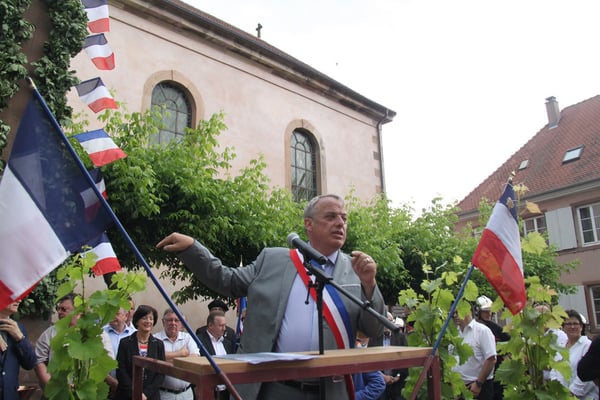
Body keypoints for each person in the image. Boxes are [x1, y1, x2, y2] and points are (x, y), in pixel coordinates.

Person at [157, 193, 386, 400]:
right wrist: (192, 249)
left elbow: (373, 329)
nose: (340, 223)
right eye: (331, 217)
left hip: (332, 390)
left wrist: (369, 284)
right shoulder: (273, 260)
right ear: (309, 224)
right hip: (272, 388)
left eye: (344, 218)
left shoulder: (357, 269)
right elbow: (227, 280)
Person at [115, 305, 165, 400]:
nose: (148, 321)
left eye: (151, 319)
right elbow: (121, 370)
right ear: (137, 321)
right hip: (127, 395)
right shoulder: (125, 343)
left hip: (150, 396)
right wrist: (135, 393)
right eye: (144, 318)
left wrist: (146, 394)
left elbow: (161, 373)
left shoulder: (158, 344)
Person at [549, 310, 598, 399]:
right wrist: (557, 389)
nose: (572, 327)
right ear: (563, 327)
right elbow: (554, 369)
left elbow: (589, 374)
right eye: (568, 324)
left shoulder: (587, 345)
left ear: (581, 327)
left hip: (582, 396)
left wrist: (571, 393)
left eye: (576, 324)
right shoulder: (560, 346)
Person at [451, 309, 497, 400]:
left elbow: (491, 359)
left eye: (457, 312)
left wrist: (478, 384)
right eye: (453, 313)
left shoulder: (482, 331)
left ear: (468, 311)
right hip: (458, 389)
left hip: (477, 387)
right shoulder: (454, 333)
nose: (455, 315)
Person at [155, 308, 199, 400]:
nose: (173, 323)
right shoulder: (155, 339)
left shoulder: (188, 338)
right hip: (164, 394)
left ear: (181, 323)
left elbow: (195, 358)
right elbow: (155, 359)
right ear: (163, 322)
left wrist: (167, 358)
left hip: (186, 394)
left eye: (176, 320)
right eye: (169, 320)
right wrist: (181, 353)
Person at [474, 296, 510, 400]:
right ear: (478, 312)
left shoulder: (497, 329)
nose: (488, 314)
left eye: (490, 311)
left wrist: (506, 357)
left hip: (497, 372)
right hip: (480, 373)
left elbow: (509, 342)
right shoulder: (474, 329)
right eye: (485, 311)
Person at [0, 300, 37, 400]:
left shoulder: (18, 327)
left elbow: (30, 363)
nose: (19, 300)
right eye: (13, 296)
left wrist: (20, 339)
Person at [369, 312, 408, 400]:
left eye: (389, 321)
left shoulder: (400, 337)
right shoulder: (373, 339)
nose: (386, 324)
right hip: (380, 382)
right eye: (384, 321)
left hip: (398, 383)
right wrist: (382, 377)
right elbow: (371, 361)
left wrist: (398, 376)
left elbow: (405, 359)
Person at [197, 310, 234, 400]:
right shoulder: (198, 341)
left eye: (225, 325)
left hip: (226, 392)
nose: (224, 328)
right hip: (208, 391)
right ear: (210, 325)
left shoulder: (227, 343)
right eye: (221, 325)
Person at [104, 306, 137, 396]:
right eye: (111, 313)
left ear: (126, 316)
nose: (113, 316)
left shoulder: (134, 335)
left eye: (117, 313)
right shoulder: (101, 334)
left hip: (129, 388)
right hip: (105, 385)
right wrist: (111, 381)